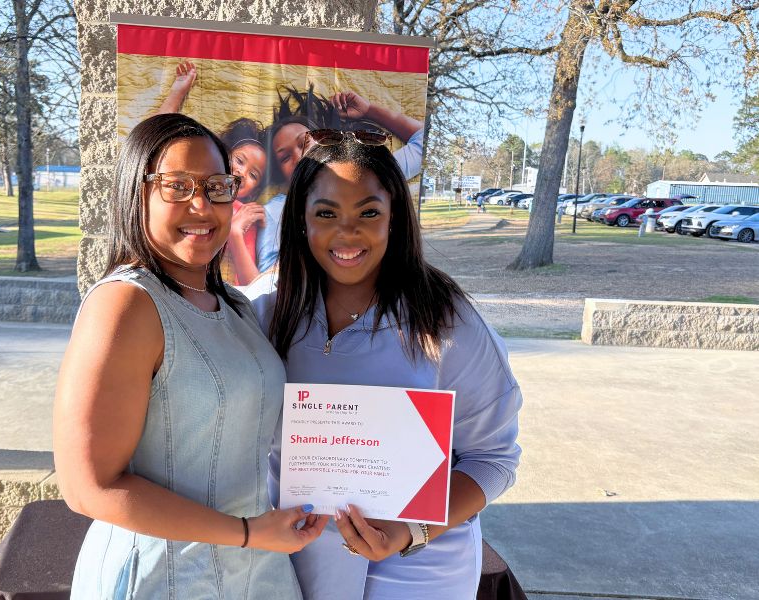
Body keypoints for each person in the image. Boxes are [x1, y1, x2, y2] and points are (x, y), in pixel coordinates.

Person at [53, 113, 328, 599]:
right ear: (136, 193)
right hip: (164, 578)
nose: (202, 205)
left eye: (217, 186)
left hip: (257, 570)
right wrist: (247, 532)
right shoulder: (127, 305)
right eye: (177, 186)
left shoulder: (236, 306)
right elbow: (88, 487)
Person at [251, 132, 522, 600]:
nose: (347, 233)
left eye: (369, 213)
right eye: (326, 213)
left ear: (395, 219)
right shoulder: (266, 313)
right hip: (293, 568)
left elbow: (493, 461)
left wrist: (409, 531)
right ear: (300, 221)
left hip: (417, 570)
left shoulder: (445, 322)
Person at [258, 86, 426, 275]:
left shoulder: (369, 178)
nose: (299, 156)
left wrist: (369, 111)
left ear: (324, 140)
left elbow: (423, 142)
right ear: (279, 172)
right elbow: (267, 278)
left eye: (304, 143)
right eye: (285, 157)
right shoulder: (275, 211)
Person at [157, 61, 268, 285]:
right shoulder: (191, 184)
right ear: (224, 154)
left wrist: (236, 231)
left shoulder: (245, 214)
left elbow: (250, 285)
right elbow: (156, 143)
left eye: (254, 175)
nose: (242, 172)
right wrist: (178, 92)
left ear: (256, 189)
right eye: (239, 160)